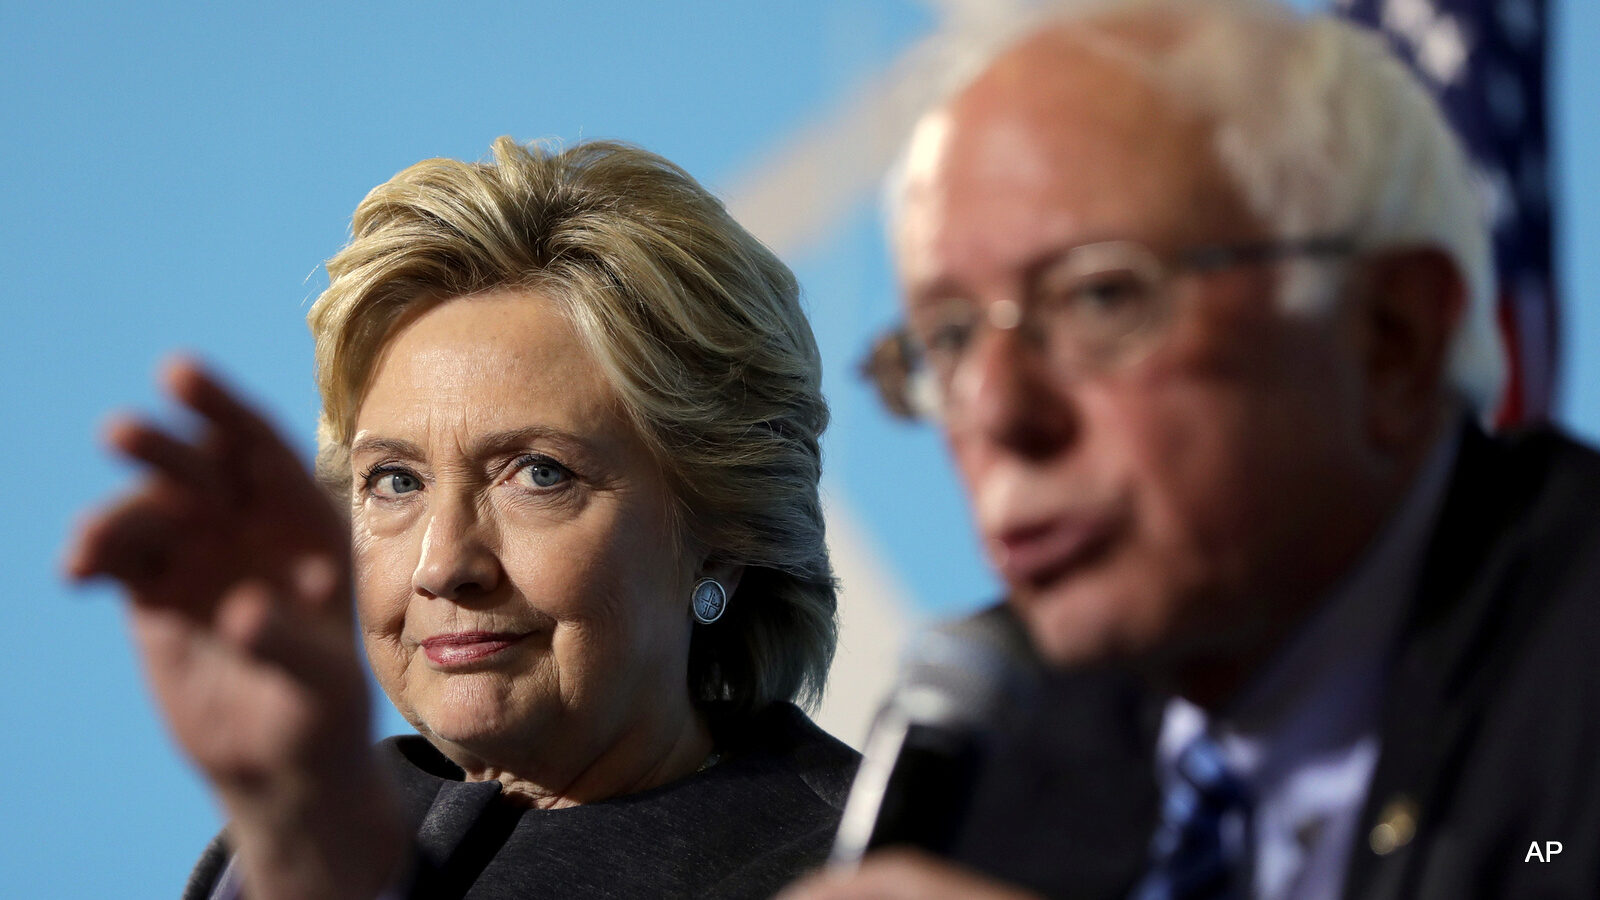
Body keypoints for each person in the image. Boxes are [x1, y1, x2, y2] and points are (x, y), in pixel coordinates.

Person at [785, 1, 1600, 898]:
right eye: (947, 338)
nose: (996, 411)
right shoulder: (1001, 765)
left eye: (1099, 298)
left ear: (1391, 337)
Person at [65, 137, 858, 900]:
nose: (442, 564)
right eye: (395, 481)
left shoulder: (875, 864)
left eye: (539, 475)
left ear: (721, 536)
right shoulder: (301, 833)